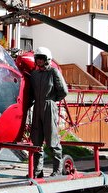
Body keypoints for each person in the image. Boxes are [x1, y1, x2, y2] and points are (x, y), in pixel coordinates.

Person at [29, 47, 68, 178]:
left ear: (47, 59)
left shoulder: (53, 72)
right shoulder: (34, 74)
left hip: (49, 107)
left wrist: (51, 100)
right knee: (36, 140)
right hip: (37, 108)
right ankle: (37, 170)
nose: (39, 61)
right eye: (37, 58)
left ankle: (57, 170)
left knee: (52, 140)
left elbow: (63, 91)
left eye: (42, 58)